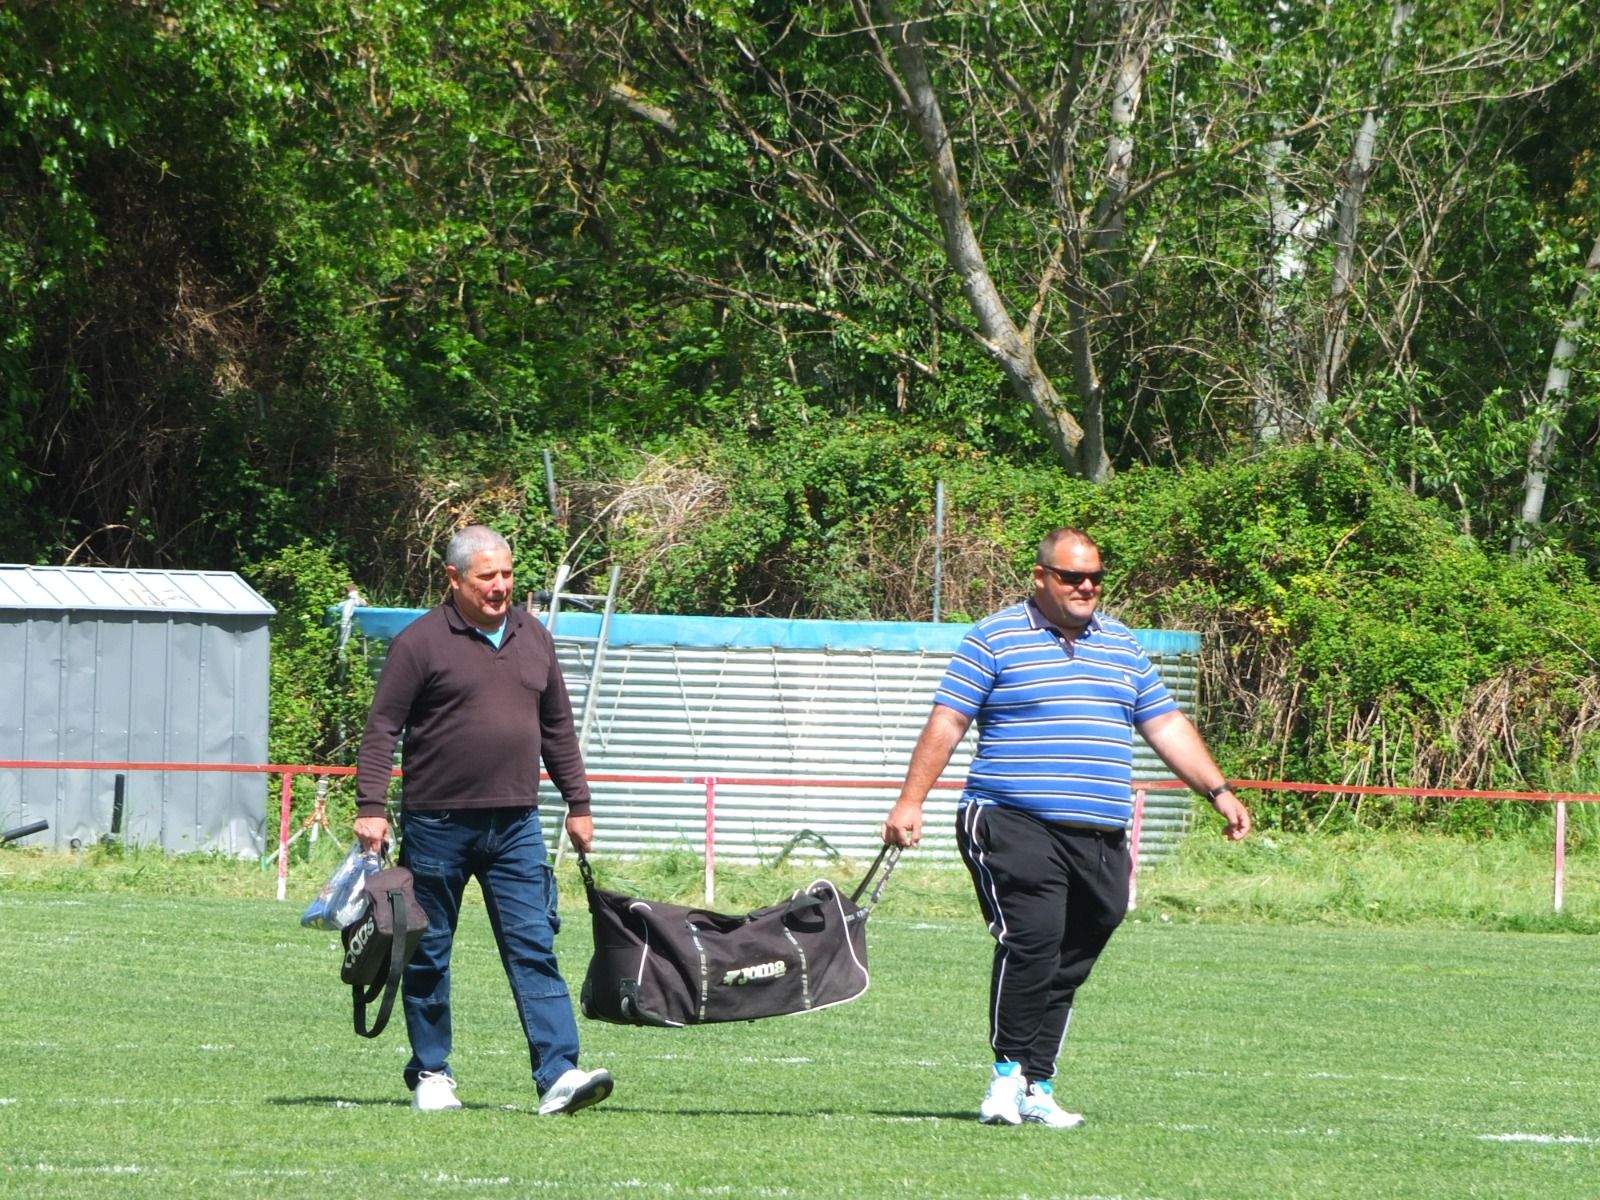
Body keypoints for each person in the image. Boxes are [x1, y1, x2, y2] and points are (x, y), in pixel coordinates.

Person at [881, 528, 1250, 1129]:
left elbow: (1165, 725)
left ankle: (1038, 1083)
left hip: (1099, 831)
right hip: (1011, 817)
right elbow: (947, 720)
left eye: (1095, 578)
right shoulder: (994, 638)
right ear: (1041, 577)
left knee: (1079, 945)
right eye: (1072, 576)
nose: (1086, 587)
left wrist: (1217, 789)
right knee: (1034, 938)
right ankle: (1006, 1078)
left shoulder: (1123, 647)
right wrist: (910, 802)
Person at [353, 525, 612, 1116]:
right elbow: (382, 729)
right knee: (427, 952)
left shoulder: (534, 636)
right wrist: (371, 806)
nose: (501, 588)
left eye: (507, 575)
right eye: (486, 577)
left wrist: (580, 802)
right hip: (436, 825)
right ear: (454, 579)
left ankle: (558, 1074)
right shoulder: (419, 643)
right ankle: (432, 1073)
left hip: (518, 825)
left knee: (534, 947)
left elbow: (558, 730)